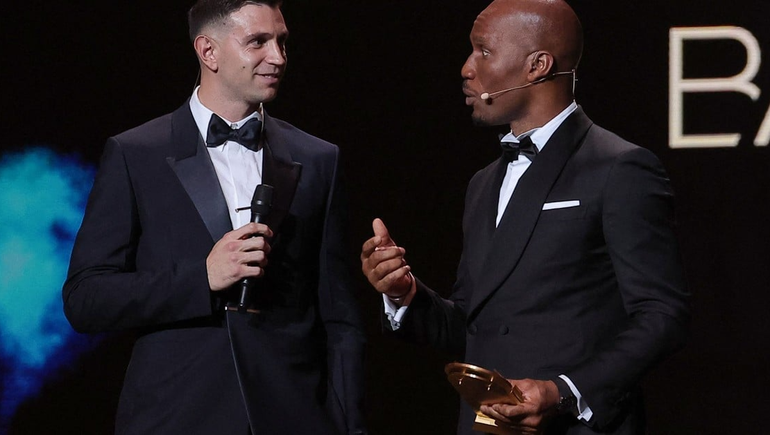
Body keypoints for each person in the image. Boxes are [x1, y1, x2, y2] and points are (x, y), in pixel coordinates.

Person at [361, 0, 690, 434]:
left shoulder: (619, 168)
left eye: (483, 51)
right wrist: (405, 295)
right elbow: (475, 326)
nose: (466, 68)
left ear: (537, 65)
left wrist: (562, 391)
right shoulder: (483, 183)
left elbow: (661, 315)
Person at [63, 1, 366, 434]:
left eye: (281, 41)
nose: (278, 57)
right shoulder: (136, 154)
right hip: (177, 415)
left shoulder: (319, 159)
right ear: (208, 51)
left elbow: (339, 319)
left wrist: (349, 424)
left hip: (292, 415)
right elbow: (85, 299)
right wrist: (201, 278)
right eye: (258, 42)